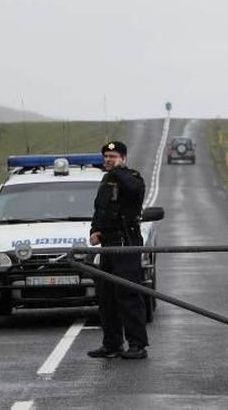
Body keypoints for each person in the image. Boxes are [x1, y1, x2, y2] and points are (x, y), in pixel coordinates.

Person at [88, 141, 149, 360]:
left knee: (128, 294)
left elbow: (133, 191)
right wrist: (95, 230)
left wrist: (119, 170)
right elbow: (100, 210)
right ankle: (112, 344)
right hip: (108, 245)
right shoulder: (105, 181)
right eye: (106, 157)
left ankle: (137, 344)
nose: (108, 160)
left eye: (113, 156)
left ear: (123, 158)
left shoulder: (132, 177)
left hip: (126, 242)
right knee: (106, 296)